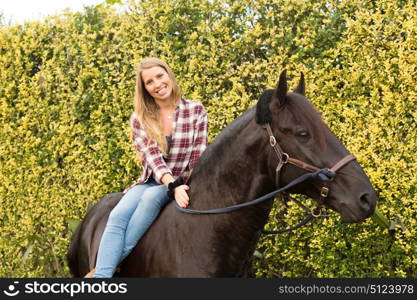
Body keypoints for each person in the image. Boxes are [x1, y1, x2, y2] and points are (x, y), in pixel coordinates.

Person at [85, 57, 208, 278]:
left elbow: (199, 155)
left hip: (183, 182)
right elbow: (153, 159)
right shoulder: (140, 118)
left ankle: (101, 272)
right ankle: (101, 280)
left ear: (169, 75)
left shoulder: (196, 110)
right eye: (149, 82)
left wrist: (182, 186)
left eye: (160, 76)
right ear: (144, 89)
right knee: (117, 215)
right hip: (153, 180)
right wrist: (172, 185)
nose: (157, 84)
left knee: (151, 198)